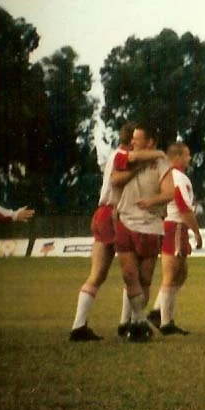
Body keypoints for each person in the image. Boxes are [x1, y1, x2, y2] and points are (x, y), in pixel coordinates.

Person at [69, 123, 160, 341]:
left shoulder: (118, 155)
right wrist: (156, 153)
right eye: (137, 140)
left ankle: (83, 325)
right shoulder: (122, 155)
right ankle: (128, 322)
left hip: (106, 213)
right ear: (131, 142)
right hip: (115, 214)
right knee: (132, 272)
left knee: (103, 274)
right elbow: (125, 170)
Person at [137, 142, 203, 335]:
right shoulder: (177, 177)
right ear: (178, 157)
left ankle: (159, 312)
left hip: (177, 228)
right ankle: (165, 322)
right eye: (187, 154)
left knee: (180, 274)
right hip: (175, 227)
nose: (189, 158)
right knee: (171, 275)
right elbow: (183, 207)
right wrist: (197, 232)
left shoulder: (173, 176)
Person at [112, 123, 170, 342]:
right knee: (129, 276)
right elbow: (115, 180)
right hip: (126, 221)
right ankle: (137, 322)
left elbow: (170, 192)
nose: (132, 141)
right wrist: (139, 165)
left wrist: (151, 201)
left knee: (144, 278)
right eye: (132, 138)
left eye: (137, 138)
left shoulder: (161, 163)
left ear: (150, 141)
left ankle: (137, 322)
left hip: (151, 225)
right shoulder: (124, 157)